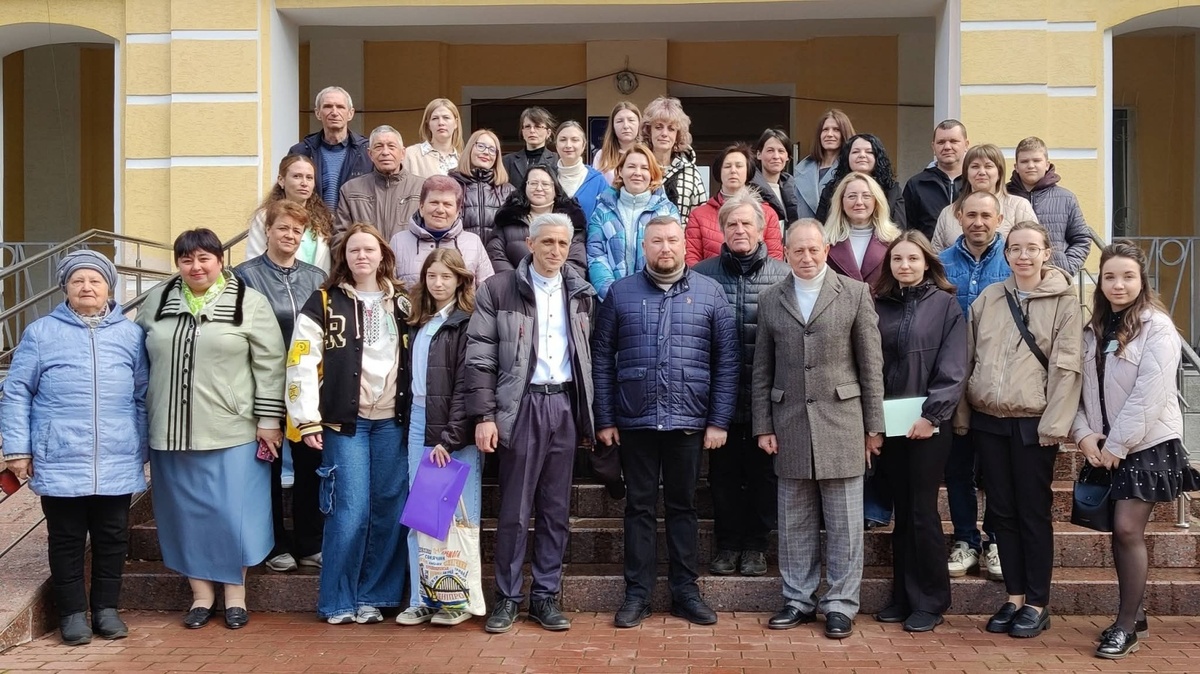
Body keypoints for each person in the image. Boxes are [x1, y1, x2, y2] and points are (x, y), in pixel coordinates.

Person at [465, 213, 609, 633]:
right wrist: (485, 416)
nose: (555, 251)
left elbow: (592, 357)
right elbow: (479, 357)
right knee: (514, 509)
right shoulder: (499, 289)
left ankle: (545, 596)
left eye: (563, 243)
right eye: (547, 242)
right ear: (529, 243)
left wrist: (591, 415)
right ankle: (507, 598)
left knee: (555, 509)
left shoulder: (581, 292)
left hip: (564, 404)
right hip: (521, 405)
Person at [593, 216, 739, 629]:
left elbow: (727, 361)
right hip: (635, 419)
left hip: (688, 420)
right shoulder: (620, 293)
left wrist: (719, 421)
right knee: (638, 507)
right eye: (656, 241)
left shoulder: (710, 293)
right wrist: (605, 417)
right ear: (644, 246)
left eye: (672, 240)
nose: (665, 248)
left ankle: (685, 592)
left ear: (683, 244)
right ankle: (637, 594)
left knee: (683, 506)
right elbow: (601, 358)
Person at [136, 229, 286, 631]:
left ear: (220, 260)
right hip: (171, 432)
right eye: (187, 259)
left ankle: (235, 595)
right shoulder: (157, 300)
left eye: (204, 258)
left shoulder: (249, 302)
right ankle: (200, 596)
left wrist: (269, 420)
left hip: (232, 430)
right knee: (183, 518)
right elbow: (137, 360)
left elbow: (271, 365)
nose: (196, 266)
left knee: (233, 516)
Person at [0, 251, 148, 645]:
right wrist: (17, 449)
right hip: (60, 453)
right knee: (65, 538)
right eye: (77, 280)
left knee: (112, 537)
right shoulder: (41, 332)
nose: (86, 287)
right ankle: (72, 614)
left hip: (116, 455)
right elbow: (16, 392)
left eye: (95, 280)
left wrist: (141, 448)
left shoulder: (130, 335)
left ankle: (106, 610)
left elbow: (141, 395)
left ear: (109, 288)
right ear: (65, 287)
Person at [752, 219, 884, 640]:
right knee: (794, 520)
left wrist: (874, 427)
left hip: (843, 421)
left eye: (813, 249)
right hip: (788, 421)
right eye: (798, 251)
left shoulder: (855, 293)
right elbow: (762, 369)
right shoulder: (771, 298)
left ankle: (841, 604)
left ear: (826, 250)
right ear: (786, 253)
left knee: (845, 522)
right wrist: (763, 425)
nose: (806, 257)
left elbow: (871, 365)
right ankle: (797, 600)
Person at [955, 220, 1082, 639]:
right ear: (1006, 254)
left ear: (1047, 253)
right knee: (1001, 513)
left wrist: (1055, 425)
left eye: (1031, 248)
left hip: (1034, 424)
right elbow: (968, 358)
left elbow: (1067, 368)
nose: (1023, 256)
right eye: (1015, 248)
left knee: (1032, 513)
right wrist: (963, 416)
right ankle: (1013, 596)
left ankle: (1037, 602)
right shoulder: (990, 297)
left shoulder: (1065, 301)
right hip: (989, 420)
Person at [1073, 241, 1200, 659]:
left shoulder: (1157, 327)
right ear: (1100, 282)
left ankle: (1126, 626)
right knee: (1117, 529)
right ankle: (1136, 611)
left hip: (1146, 442)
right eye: (1110, 276)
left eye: (1127, 276)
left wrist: (1117, 444)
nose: (1118, 284)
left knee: (1128, 529)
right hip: (1105, 442)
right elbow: (1079, 390)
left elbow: (1151, 393)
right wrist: (1084, 435)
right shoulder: (1092, 329)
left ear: (1141, 280)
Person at [286, 223, 412, 625]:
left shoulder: (403, 303)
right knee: (349, 510)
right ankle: (338, 601)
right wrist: (307, 419)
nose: (362, 256)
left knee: (389, 508)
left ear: (382, 255)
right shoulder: (324, 301)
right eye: (354, 250)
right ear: (343, 257)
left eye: (369, 249)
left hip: (393, 422)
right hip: (345, 423)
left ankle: (376, 596)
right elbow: (301, 361)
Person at [870, 232, 966, 633]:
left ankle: (930, 600)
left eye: (912, 258)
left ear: (927, 263)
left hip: (929, 426)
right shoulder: (877, 304)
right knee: (902, 511)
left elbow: (954, 367)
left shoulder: (945, 305)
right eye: (897, 259)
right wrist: (873, 423)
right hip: (889, 424)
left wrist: (932, 416)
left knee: (922, 511)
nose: (904, 265)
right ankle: (903, 596)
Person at [692, 190, 790, 578]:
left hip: (767, 397)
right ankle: (728, 544)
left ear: (762, 228)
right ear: (721, 229)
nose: (739, 230)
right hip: (720, 398)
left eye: (747, 223)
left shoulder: (783, 276)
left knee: (765, 477)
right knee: (724, 476)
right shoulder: (702, 274)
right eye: (731, 224)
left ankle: (756, 546)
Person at [234, 201, 329, 575]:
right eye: (283, 228)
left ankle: (310, 542)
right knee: (267, 467)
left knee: (310, 465)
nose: (290, 236)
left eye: (296, 231)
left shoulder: (316, 276)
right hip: (265, 383)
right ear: (268, 231)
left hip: (307, 386)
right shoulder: (245, 276)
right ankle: (273, 542)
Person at [395, 249, 481, 628]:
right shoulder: (420, 320)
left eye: (446, 276)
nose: (438, 283)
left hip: (451, 429)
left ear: (460, 279)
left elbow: (466, 386)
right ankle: (420, 599)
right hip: (418, 420)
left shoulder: (467, 323)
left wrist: (449, 438)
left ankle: (456, 601)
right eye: (432, 276)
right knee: (421, 517)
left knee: (457, 518)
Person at [938, 190, 1011, 582]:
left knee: (997, 469)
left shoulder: (1013, 259)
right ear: (959, 217)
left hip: (999, 379)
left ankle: (997, 540)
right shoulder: (941, 263)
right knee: (958, 468)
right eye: (971, 215)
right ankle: (965, 539)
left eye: (986, 215)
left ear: (999, 219)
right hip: (952, 378)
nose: (978, 222)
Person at [586, 143, 679, 299]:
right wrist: (614, 295)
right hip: (613, 300)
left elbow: (672, 255)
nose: (637, 173)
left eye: (644, 168)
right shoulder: (602, 210)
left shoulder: (667, 211)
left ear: (652, 173)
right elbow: (596, 255)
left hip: (656, 299)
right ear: (620, 171)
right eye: (631, 166)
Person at [1006, 136, 1093, 275]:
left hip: (1054, 277)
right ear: (1016, 167)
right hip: (1013, 276)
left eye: (1036, 160)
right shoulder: (1004, 196)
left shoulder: (1066, 198)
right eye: (1024, 161)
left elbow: (1081, 238)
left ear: (1047, 164)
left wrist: (1067, 268)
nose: (1031, 165)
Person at [685, 144, 784, 265]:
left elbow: (775, 261)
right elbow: (692, 260)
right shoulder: (698, 215)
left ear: (748, 171)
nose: (733, 170)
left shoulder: (767, 213)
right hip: (710, 276)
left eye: (739, 166)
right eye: (727, 166)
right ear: (719, 171)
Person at [389, 175, 494, 288]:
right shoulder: (399, 242)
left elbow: (488, 290)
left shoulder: (473, 243)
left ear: (457, 211)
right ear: (421, 207)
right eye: (434, 202)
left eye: (447, 204)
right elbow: (387, 287)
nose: (440, 210)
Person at [930, 143, 1038, 252]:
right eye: (975, 166)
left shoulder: (1019, 207)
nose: (981, 172)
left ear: (999, 172)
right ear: (966, 173)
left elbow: (1035, 250)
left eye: (988, 166)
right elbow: (935, 256)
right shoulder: (948, 213)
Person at [488, 164, 588, 277]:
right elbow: (496, 254)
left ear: (555, 188)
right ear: (525, 186)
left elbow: (576, 261)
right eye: (533, 183)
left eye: (545, 184)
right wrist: (517, 281)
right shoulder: (508, 217)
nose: (539, 188)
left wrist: (554, 282)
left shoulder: (572, 220)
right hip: (514, 284)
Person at [244, 154, 335, 272]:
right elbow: (254, 261)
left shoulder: (324, 218)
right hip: (274, 282)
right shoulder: (264, 217)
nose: (304, 183)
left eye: (309, 177)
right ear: (281, 180)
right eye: (297, 176)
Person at [335, 125, 424, 241]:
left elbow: (431, 231)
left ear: (402, 153)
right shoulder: (351, 190)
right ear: (370, 154)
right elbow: (340, 236)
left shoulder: (422, 188)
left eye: (391, 146)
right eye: (378, 147)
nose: (385, 152)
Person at [290, 86, 371, 210]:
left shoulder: (367, 152)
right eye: (328, 106)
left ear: (350, 113)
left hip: (354, 221)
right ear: (318, 113)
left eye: (340, 107)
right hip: (310, 221)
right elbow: (286, 192)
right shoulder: (300, 152)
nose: (334, 112)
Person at [823, 172, 900, 288]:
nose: (859, 202)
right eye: (852, 196)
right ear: (841, 202)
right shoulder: (825, 241)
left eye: (866, 196)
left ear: (876, 201)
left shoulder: (895, 241)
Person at [815, 133, 906, 229]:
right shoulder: (831, 190)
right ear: (847, 157)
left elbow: (899, 229)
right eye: (855, 152)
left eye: (869, 152)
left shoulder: (892, 190)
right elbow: (819, 228)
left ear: (877, 157)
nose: (862, 155)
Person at [642, 96, 707, 227]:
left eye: (671, 129)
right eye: (658, 127)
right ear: (649, 130)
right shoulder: (638, 168)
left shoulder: (691, 173)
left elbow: (700, 220)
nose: (664, 133)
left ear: (678, 135)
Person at [904, 119, 969, 240]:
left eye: (953, 141)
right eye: (941, 142)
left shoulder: (975, 182)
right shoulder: (916, 185)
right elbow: (908, 231)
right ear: (933, 147)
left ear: (966, 145)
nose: (947, 147)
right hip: (928, 251)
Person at [450, 128, 514, 248]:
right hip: (458, 255)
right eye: (481, 146)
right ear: (470, 148)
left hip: (496, 257)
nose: (486, 152)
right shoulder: (450, 185)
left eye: (492, 150)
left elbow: (513, 236)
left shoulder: (509, 191)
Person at [794, 109, 854, 220]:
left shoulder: (851, 170)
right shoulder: (801, 170)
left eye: (836, 130)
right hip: (805, 229)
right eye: (825, 129)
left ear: (845, 133)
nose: (829, 134)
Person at [554, 120, 609, 222]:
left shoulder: (598, 181)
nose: (568, 145)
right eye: (563, 140)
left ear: (584, 145)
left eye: (575, 140)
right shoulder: (547, 178)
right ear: (556, 145)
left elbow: (605, 219)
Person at [751, 128, 800, 224]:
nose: (776, 156)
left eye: (781, 151)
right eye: (770, 151)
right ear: (759, 154)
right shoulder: (749, 190)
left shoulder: (794, 189)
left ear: (787, 157)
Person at [502, 106, 558, 189]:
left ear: (548, 133)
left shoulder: (557, 160)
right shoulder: (507, 161)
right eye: (527, 126)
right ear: (522, 131)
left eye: (537, 126)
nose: (532, 130)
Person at [407, 98, 462, 178]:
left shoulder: (463, 161)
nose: (441, 123)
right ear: (428, 124)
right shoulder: (411, 155)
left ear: (456, 123)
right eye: (435, 118)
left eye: (446, 117)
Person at [593, 101, 641, 185]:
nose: (626, 126)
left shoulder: (648, 153)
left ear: (639, 124)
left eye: (631, 120)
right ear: (613, 126)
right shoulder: (601, 156)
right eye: (619, 121)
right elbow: (596, 186)